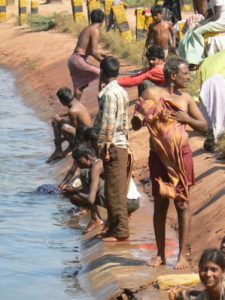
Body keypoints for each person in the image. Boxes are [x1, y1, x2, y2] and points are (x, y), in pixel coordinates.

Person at [134, 57, 207, 269]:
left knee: (182, 203)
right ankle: (160, 255)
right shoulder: (152, 94)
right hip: (158, 156)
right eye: (186, 73)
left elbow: (202, 125)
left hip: (181, 157)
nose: (189, 76)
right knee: (161, 204)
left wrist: (186, 119)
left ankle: (182, 255)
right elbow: (136, 122)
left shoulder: (186, 99)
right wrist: (144, 115)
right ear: (173, 75)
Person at [61, 143, 140, 234]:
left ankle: (96, 219)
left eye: (79, 162)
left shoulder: (96, 168)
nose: (78, 165)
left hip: (126, 203)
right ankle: (115, 216)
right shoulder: (101, 162)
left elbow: (91, 199)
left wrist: (75, 191)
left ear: (87, 157)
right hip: (133, 201)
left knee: (85, 177)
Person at [94, 56, 129, 242]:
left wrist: (104, 149)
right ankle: (113, 227)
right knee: (112, 189)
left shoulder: (109, 94)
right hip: (120, 143)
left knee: (114, 192)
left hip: (113, 145)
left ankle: (121, 231)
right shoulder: (121, 91)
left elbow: (108, 125)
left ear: (102, 73)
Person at [68, 9, 107, 100]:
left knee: (79, 88)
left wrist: (102, 54)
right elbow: (93, 52)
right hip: (78, 60)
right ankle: (102, 101)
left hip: (73, 60)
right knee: (103, 74)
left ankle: (74, 108)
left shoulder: (87, 29)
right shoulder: (95, 30)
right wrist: (105, 62)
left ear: (91, 19)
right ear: (102, 20)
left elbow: (87, 49)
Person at [47, 87, 92, 163]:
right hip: (87, 132)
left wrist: (61, 140)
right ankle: (59, 150)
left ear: (62, 101)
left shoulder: (72, 111)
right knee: (57, 120)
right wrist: (61, 115)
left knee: (64, 127)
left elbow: (74, 129)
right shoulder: (76, 103)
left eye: (59, 100)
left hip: (85, 137)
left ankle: (72, 146)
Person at [178, 0, 225, 66]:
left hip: (221, 22)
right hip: (216, 21)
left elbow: (216, 16)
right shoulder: (209, 1)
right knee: (194, 28)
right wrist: (200, 23)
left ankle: (195, 58)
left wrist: (203, 24)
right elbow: (210, 14)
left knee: (197, 32)